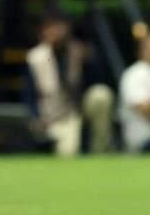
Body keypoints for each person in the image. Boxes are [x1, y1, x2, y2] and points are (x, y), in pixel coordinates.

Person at [25, 13, 115, 156]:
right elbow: (28, 94)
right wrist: (36, 117)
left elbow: (97, 81)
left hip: (79, 109)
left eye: (59, 27)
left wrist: (88, 61)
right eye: (51, 28)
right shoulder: (36, 57)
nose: (56, 32)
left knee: (101, 94)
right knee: (68, 152)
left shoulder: (78, 50)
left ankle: (100, 151)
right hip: (54, 116)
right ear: (43, 31)